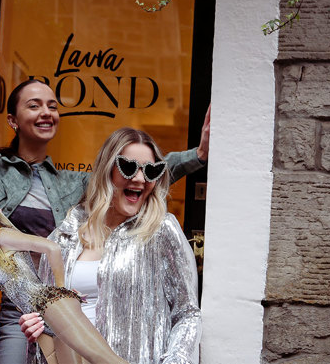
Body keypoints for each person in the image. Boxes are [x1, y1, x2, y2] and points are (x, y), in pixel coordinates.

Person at [0, 0, 208, 364]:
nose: (47, 112)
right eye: (34, 105)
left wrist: (199, 156)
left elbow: (134, 172)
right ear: (12, 120)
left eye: (53, 105)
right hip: (13, 304)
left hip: (59, 300)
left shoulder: (72, 184)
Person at [21, 127, 201, 364]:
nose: (139, 178)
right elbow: (49, 315)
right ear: (108, 170)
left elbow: (187, 314)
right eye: (128, 167)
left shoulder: (161, 231)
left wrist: (175, 360)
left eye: (150, 171)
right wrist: (37, 324)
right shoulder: (64, 237)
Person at [0, 196, 128, 364]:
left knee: (105, 360)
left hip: (48, 303)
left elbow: (51, 247)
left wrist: (61, 291)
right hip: (39, 318)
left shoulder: (2, 235)